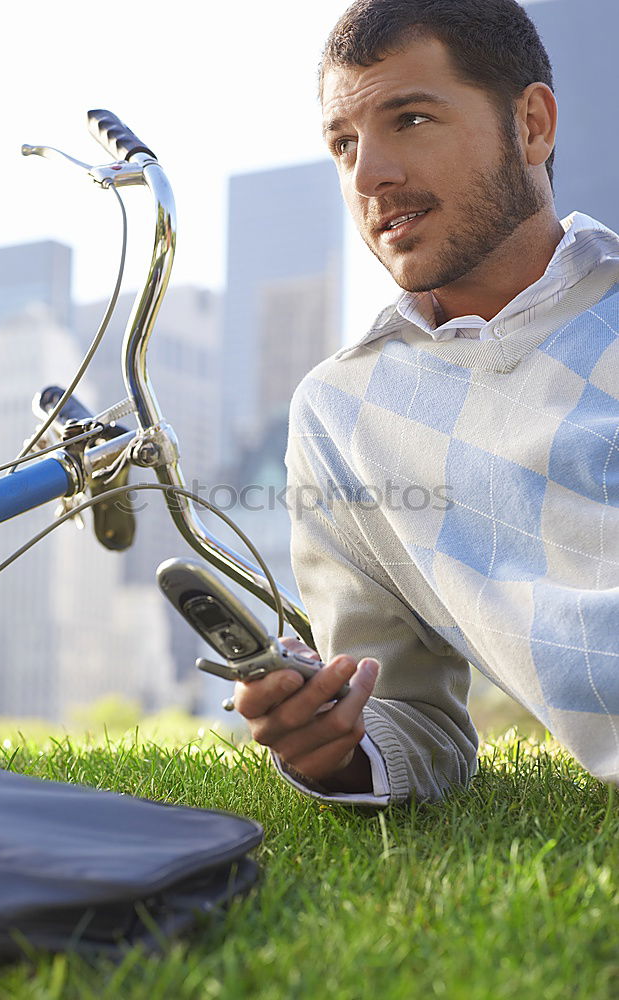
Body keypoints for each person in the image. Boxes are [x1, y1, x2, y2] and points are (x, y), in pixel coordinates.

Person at [234, 0, 619, 806]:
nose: (369, 174)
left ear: (531, 125)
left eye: (409, 118)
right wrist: (330, 746)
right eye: (343, 144)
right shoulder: (340, 415)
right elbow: (405, 716)